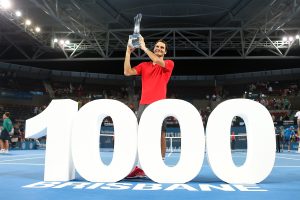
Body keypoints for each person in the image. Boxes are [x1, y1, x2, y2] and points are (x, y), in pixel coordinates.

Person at [124, 36, 174, 178]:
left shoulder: (169, 64)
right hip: (143, 104)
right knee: (140, 136)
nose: (159, 49)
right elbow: (127, 72)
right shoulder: (144, 66)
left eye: (162, 48)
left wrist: (144, 47)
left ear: (165, 52)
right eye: (157, 46)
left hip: (159, 105)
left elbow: (157, 61)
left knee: (161, 135)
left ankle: (161, 165)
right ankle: (140, 167)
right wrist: (128, 52)